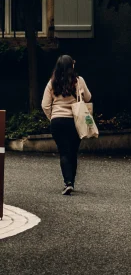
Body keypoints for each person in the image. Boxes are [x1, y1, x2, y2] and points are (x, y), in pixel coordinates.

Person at [41, 55, 92, 195]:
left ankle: (67, 182)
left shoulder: (52, 83)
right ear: (71, 66)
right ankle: (72, 183)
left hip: (58, 122)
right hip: (74, 121)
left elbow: (45, 105)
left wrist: (52, 117)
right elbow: (88, 98)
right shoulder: (79, 81)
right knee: (73, 151)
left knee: (64, 151)